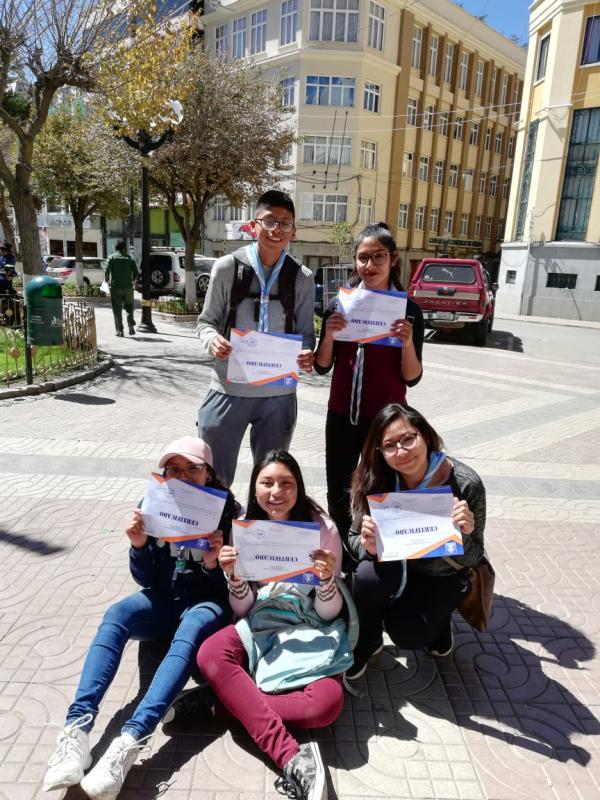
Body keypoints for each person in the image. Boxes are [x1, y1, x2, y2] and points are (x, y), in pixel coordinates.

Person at [43, 437, 239, 800]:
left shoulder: (229, 513)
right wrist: (138, 545)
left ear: (209, 473)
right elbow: (147, 580)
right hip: (165, 601)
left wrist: (215, 564)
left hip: (208, 605)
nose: (181, 476)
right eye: (173, 469)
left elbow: (236, 590)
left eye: (192, 468)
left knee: (193, 625)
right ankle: (77, 731)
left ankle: (131, 740)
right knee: (117, 613)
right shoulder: (153, 504)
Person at [197, 450, 349, 800]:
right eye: (266, 483)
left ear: (298, 487)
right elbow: (244, 608)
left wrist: (326, 581)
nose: (275, 492)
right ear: (254, 488)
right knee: (210, 653)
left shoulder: (322, 529)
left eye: (286, 483)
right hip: (261, 624)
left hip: (309, 629)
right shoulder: (246, 529)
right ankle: (293, 757)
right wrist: (233, 578)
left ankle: (221, 703)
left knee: (325, 706)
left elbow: (328, 614)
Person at [345, 403, 486, 682]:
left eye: (408, 438)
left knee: (407, 632)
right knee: (365, 576)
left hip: (440, 573)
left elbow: (474, 557)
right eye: (389, 445)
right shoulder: (376, 478)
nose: (401, 451)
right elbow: (351, 538)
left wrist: (466, 532)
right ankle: (368, 639)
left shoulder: (465, 483)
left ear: (426, 436)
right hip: (394, 566)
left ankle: (441, 621)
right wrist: (368, 547)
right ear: (380, 452)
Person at [314, 222, 425, 559]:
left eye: (378, 257)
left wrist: (406, 342)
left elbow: (413, 377)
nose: (369, 265)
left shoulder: (408, 310)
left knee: (384, 486)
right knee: (340, 487)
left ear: (393, 259)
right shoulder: (341, 305)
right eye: (362, 258)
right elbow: (322, 365)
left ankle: (384, 555)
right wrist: (330, 334)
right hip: (342, 413)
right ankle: (345, 559)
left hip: (386, 419)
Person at [196, 190, 315, 486]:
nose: (277, 230)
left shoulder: (302, 277)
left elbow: (306, 333)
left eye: (285, 223)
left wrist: (306, 352)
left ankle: (258, 532)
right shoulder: (226, 268)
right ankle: (216, 532)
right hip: (228, 388)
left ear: (294, 231)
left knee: (270, 481)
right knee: (214, 478)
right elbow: (205, 322)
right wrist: (213, 341)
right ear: (253, 225)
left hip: (278, 395)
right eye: (270, 221)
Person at [104, 239, 138, 337]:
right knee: (129, 307)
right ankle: (130, 323)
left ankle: (119, 331)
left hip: (116, 287)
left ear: (116, 247)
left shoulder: (111, 257)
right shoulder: (129, 258)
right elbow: (136, 273)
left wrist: (107, 281)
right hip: (128, 288)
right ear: (124, 248)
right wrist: (132, 282)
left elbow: (106, 271)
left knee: (117, 309)